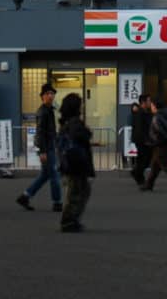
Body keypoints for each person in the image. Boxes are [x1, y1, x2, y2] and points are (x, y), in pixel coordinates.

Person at [16, 85, 61, 211]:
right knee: (54, 175)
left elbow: (51, 131)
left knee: (45, 175)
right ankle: (57, 202)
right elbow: (40, 132)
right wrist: (42, 151)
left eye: (52, 93)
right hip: (47, 148)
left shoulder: (50, 110)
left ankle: (25, 196)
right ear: (42, 96)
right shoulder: (43, 112)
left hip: (50, 146)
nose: (50, 96)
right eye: (47, 93)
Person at [57, 92, 94, 233]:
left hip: (70, 163)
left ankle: (71, 219)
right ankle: (69, 220)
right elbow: (81, 136)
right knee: (78, 192)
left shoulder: (65, 122)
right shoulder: (75, 123)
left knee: (77, 191)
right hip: (77, 163)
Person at [139, 96, 167, 193]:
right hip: (164, 144)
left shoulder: (157, 117)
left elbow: (159, 131)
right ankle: (149, 184)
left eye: (152, 105)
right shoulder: (166, 116)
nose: (151, 107)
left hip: (160, 144)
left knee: (165, 165)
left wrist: (154, 141)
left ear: (154, 107)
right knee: (155, 165)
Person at [129, 93, 155, 187]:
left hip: (142, 139)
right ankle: (137, 174)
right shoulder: (140, 112)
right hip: (142, 140)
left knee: (143, 159)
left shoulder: (143, 112)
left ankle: (137, 174)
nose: (150, 102)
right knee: (144, 159)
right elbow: (140, 128)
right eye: (149, 101)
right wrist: (145, 140)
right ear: (143, 102)